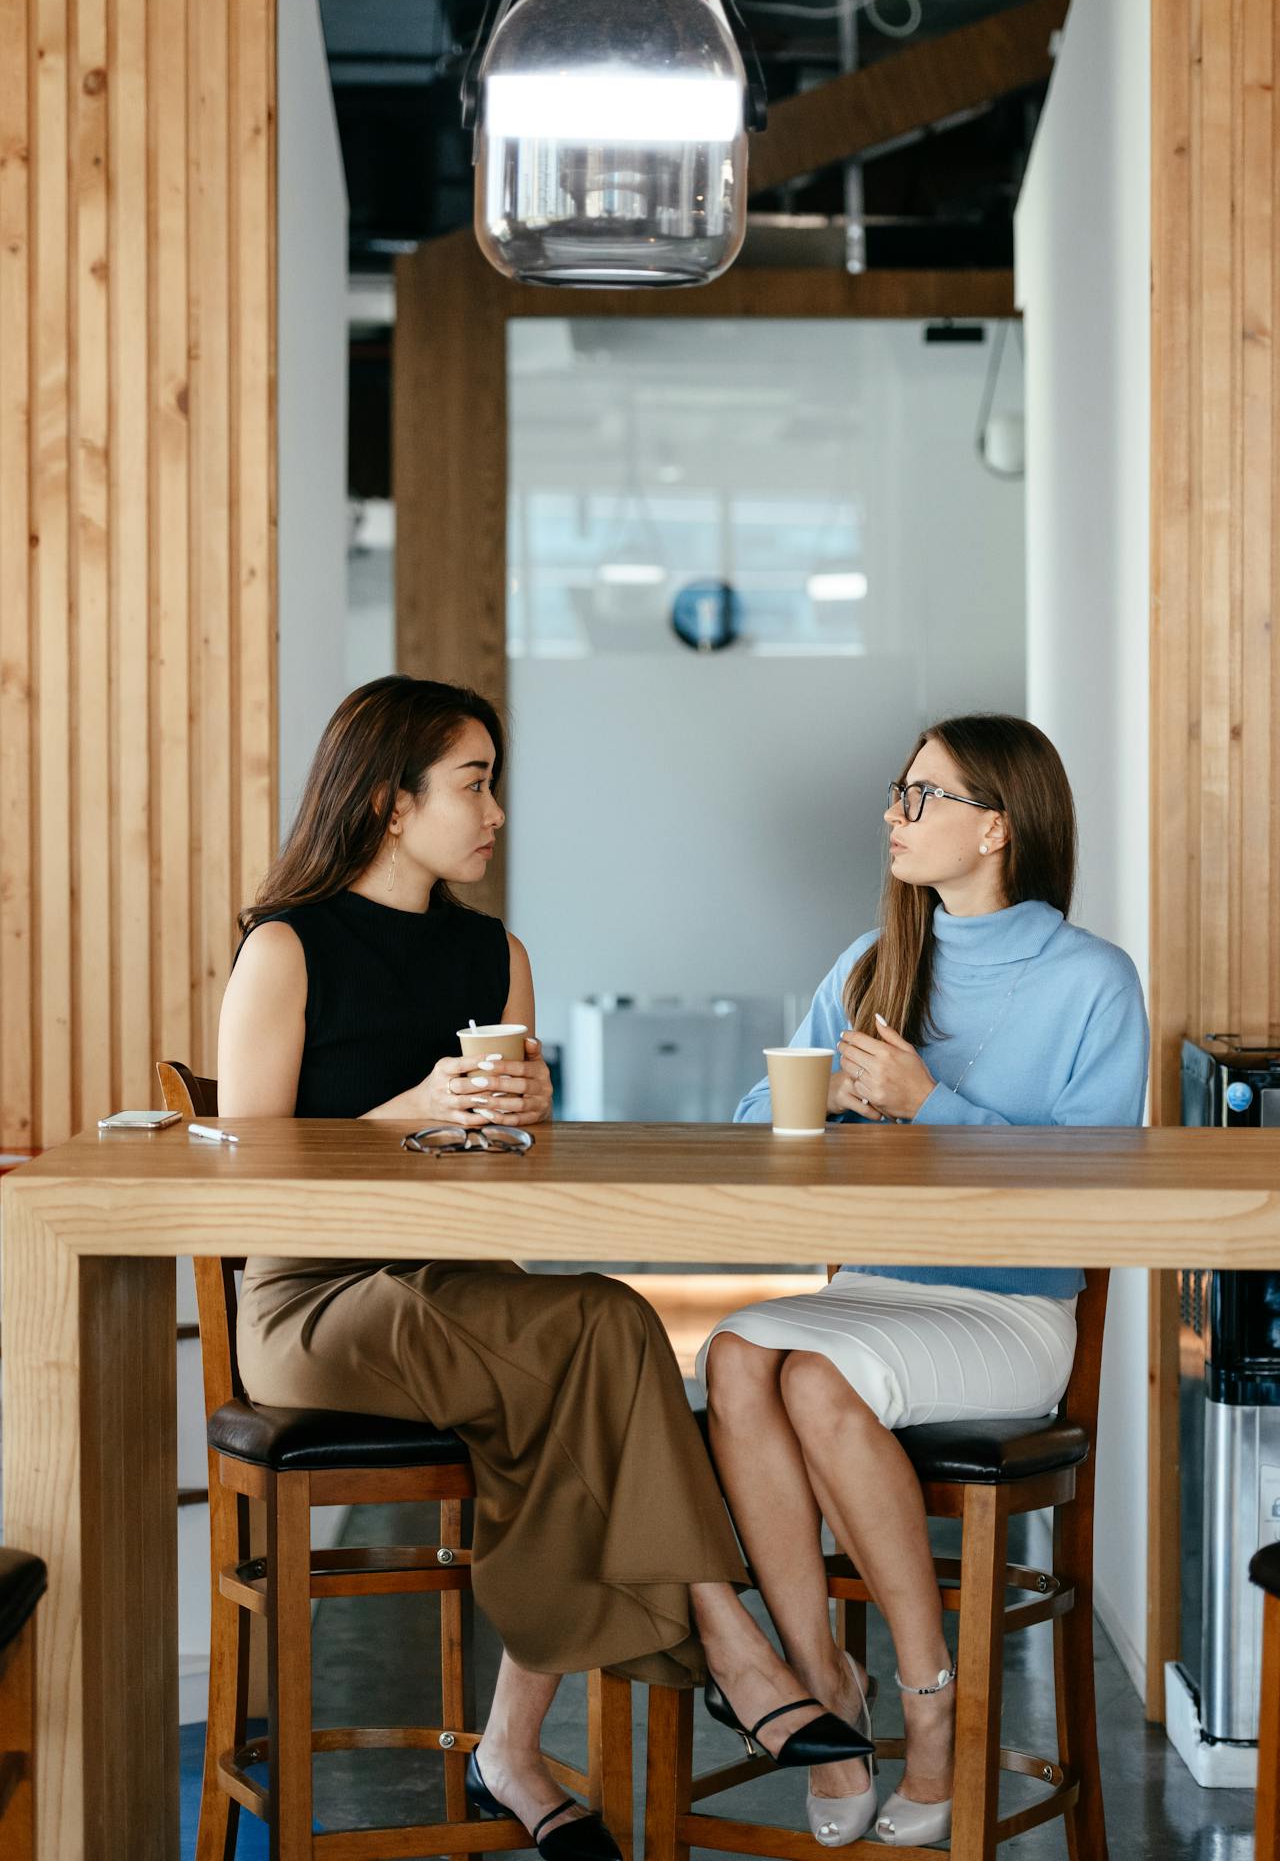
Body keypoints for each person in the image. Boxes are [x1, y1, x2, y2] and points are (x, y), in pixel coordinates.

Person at [218, 674, 869, 1861]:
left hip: (457, 1291)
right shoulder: (286, 946)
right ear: (384, 800)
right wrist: (404, 1112)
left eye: (492, 784)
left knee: (592, 1355)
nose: (495, 811)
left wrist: (522, 1122)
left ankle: (519, 1751)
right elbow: (250, 1166)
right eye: (471, 784)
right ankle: (728, 1643)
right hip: (314, 1302)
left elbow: (504, 1168)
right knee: (600, 1336)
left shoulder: (494, 956)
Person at [699, 713, 1148, 1848]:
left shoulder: (1091, 978)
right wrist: (836, 1105)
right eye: (894, 794)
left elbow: (1096, 1183)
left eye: (920, 797)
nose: (891, 817)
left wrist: (927, 1107)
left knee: (806, 1377)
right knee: (739, 1352)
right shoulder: (868, 963)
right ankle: (821, 1691)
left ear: (994, 826)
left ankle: (930, 1699)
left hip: (1009, 1308)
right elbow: (759, 1116)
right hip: (878, 1296)